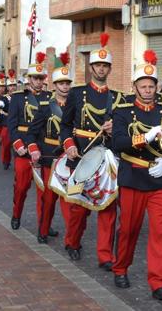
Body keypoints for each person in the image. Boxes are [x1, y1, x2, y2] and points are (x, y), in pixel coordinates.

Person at [112, 49, 162, 301]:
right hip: (133, 177)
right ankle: (120, 267)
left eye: (152, 85)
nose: (148, 89)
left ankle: (159, 281)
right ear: (135, 86)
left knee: (159, 233)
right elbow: (117, 142)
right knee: (129, 229)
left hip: (159, 179)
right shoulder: (123, 111)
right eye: (143, 85)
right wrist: (143, 138)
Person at [60, 33, 123, 264]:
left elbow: (123, 133)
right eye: (97, 64)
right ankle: (72, 242)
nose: (101, 69)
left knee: (108, 207)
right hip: (81, 154)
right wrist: (68, 146)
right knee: (78, 207)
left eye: (105, 65)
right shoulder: (76, 93)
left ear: (109, 69)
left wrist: (114, 129)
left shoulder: (118, 98)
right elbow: (65, 126)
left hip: (106, 158)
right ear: (91, 66)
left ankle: (105, 255)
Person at [25, 51, 72, 244]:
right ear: (55, 85)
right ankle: (43, 230)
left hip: (69, 156)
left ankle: (72, 239)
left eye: (68, 83)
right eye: (61, 83)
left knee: (70, 200)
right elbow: (31, 132)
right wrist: (34, 148)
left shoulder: (76, 105)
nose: (65, 86)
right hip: (49, 155)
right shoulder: (46, 105)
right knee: (49, 198)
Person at [7, 52, 52, 231]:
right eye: (35, 78)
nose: (39, 82)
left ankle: (44, 223)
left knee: (45, 192)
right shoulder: (19, 98)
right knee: (21, 187)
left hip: (42, 147)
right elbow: (11, 124)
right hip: (23, 148)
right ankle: (16, 214)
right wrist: (17, 144)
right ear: (29, 79)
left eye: (41, 78)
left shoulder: (50, 98)